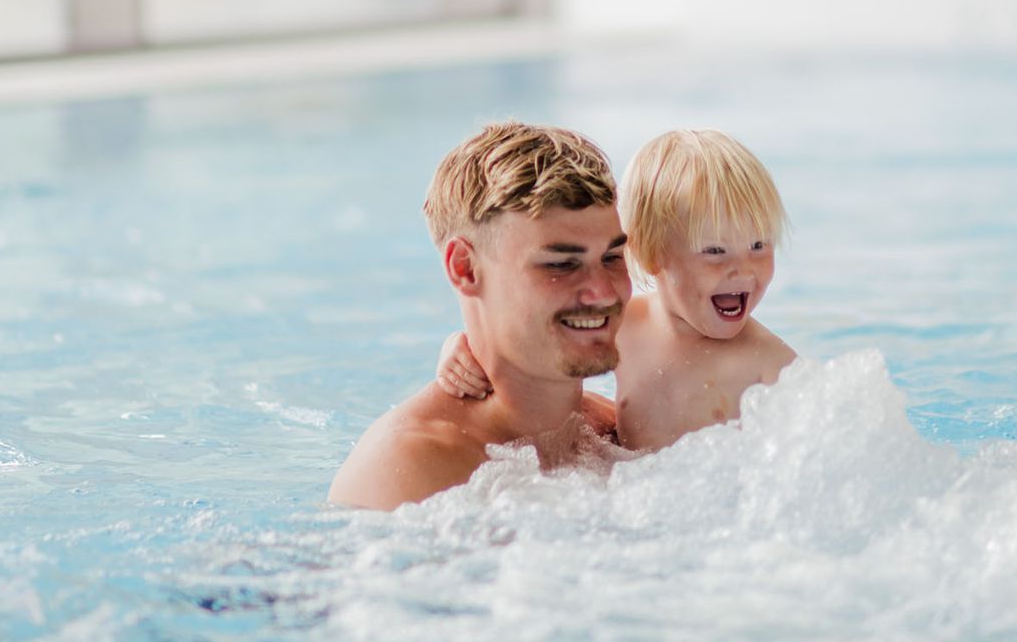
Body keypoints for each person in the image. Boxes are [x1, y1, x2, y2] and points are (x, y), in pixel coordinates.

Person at [326, 122, 630, 510]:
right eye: (561, 265)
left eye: (612, 258)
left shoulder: (616, 430)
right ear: (465, 268)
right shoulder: (408, 468)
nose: (603, 292)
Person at [435, 129, 796, 453]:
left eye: (759, 245)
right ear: (652, 254)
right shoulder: (627, 326)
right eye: (715, 251)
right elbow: (532, 343)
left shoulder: (770, 365)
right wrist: (460, 348)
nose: (743, 269)